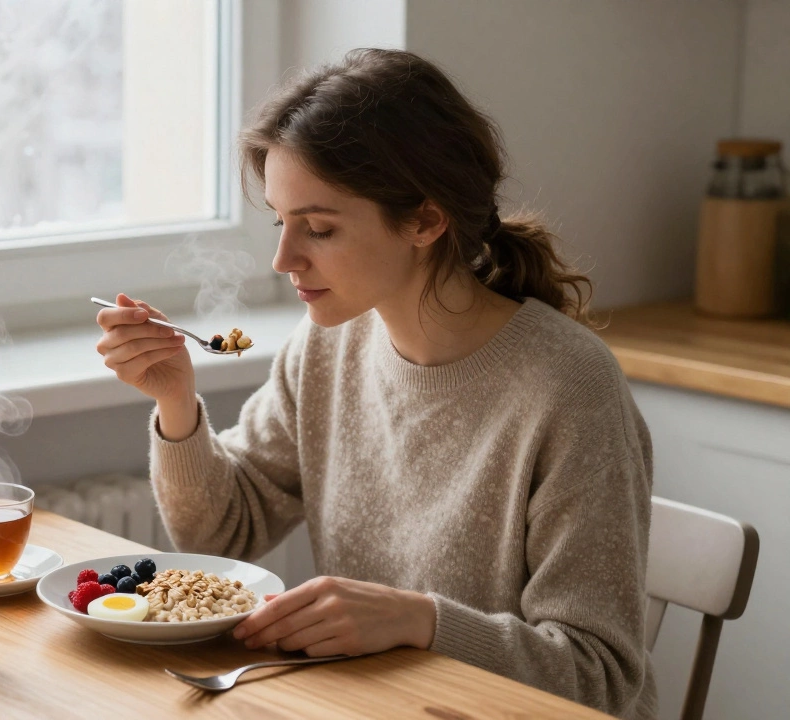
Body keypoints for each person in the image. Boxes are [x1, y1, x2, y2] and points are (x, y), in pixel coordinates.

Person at [94, 49, 654, 719]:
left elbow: (600, 676)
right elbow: (223, 534)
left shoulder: (569, 389)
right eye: (282, 221)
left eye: (320, 228)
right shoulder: (328, 346)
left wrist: (421, 621)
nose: (283, 258)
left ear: (425, 219)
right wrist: (175, 401)